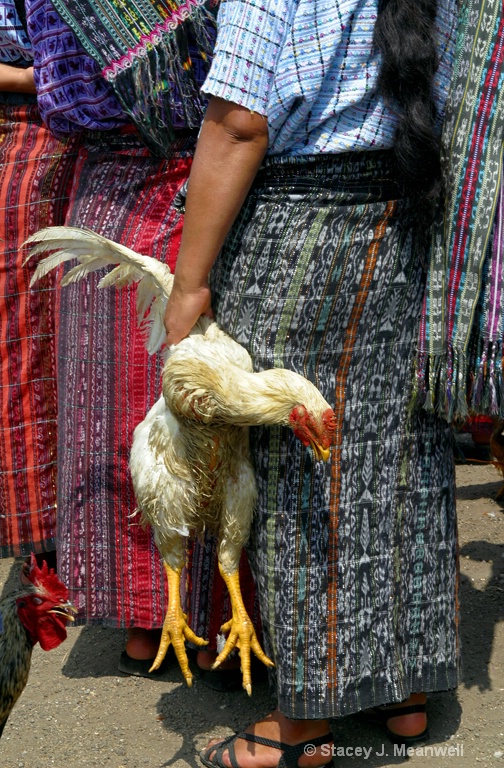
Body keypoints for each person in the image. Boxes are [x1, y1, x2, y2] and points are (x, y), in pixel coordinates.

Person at [163, 0, 465, 763]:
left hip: (300, 230)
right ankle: (403, 688)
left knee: (300, 467)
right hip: (404, 218)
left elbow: (238, 124)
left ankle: (303, 724)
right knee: (396, 452)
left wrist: (190, 281)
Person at [25, 0, 259, 684]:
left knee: (125, 416)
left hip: (107, 197)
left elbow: (52, 84)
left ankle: (146, 616)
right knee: (197, 414)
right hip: (200, 188)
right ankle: (211, 614)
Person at [0, 0, 79, 566]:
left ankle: (49, 532)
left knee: (37, 334)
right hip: (36, 123)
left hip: (52, 126)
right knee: (25, 338)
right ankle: (38, 534)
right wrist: (37, 76)